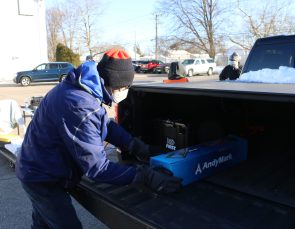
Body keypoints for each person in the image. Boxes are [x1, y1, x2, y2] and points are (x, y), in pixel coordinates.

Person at [15, 48, 182, 229]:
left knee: (43, 224)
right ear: (112, 82)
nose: (124, 92)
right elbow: (97, 168)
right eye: (123, 87)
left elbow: (105, 125)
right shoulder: (81, 105)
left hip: (37, 166)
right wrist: (145, 176)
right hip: (43, 177)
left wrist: (136, 146)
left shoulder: (82, 88)